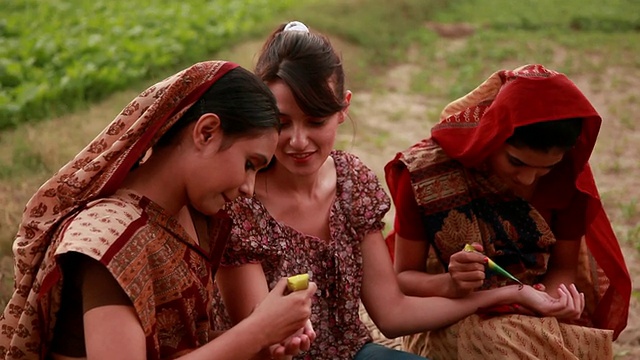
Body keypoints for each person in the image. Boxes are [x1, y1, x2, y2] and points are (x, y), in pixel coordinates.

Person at [210, 23, 585, 360]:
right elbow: (260, 343)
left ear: (344, 109)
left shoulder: (351, 181)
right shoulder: (242, 201)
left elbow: (392, 314)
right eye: (281, 122)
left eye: (316, 121)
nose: (298, 140)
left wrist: (510, 293)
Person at [0, 61, 318, 360]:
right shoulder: (108, 238)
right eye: (250, 164)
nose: (249, 187)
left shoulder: (189, 221)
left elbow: (171, 348)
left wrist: (265, 342)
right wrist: (256, 330)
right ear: (206, 132)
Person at [385, 64, 632, 359]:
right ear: (492, 136)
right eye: (516, 163)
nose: (528, 179)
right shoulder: (426, 173)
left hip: (535, 313)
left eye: (546, 168)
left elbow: (563, 268)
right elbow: (403, 277)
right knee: (501, 341)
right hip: (448, 314)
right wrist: (452, 282)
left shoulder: (567, 177)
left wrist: (552, 300)